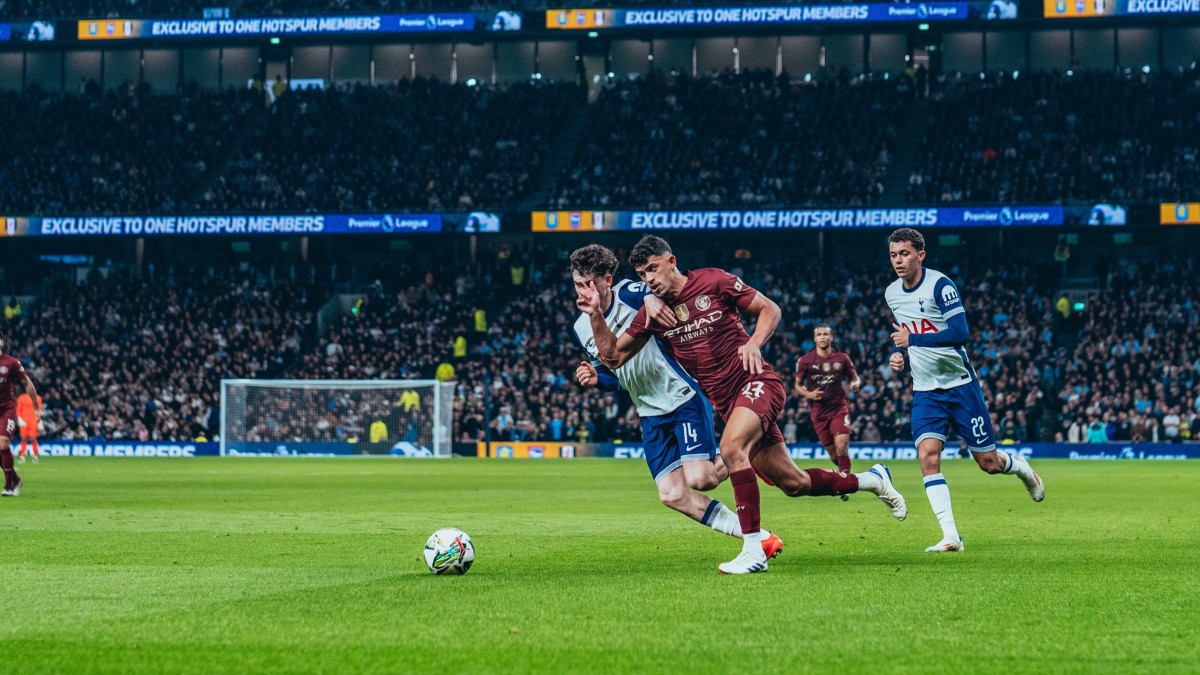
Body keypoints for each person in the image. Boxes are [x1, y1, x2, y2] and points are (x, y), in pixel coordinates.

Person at [583, 236, 906, 575]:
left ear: (671, 262)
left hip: (758, 383)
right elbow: (612, 356)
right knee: (794, 484)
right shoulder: (654, 314)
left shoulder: (713, 280)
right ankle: (873, 480)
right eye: (642, 274)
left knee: (731, 447)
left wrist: (754, 343)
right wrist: (595, 315)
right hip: (729, 404)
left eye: (653, 268)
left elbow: (770, 309)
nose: (649, 278)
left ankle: (753, 551)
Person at [568, 244, 784, 560]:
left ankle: (743, 451)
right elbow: (615, 375)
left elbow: (662, 290)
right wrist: (596, 377)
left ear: (607, 280)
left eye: (589, 283)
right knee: (671, 494)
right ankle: (758, 536)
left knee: (701, 479)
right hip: (649, 411)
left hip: (681, 396)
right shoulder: (580, 327)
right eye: (577, 284)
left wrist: (650, 299)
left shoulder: (630, 292)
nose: (583, 291)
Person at [885, 227, 1044, 553]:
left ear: (920, 255)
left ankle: (1021, 467)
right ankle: (951, 536)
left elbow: (960, 333)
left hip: (960, 386)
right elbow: (905, 333)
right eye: (893, 255)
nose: (898, 261)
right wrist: (899, 354)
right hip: (926, 391)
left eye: (904, 254)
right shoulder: (892, 294)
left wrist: (912, 340)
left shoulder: (940, 286)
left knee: (988, 463)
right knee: (928, 457)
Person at [794, 324, 862, 484]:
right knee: (834, 454)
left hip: (839, 407)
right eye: (819, 335)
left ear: (831, 337)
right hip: (818, 412)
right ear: (814, 339)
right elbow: (797, 386)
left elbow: (855, 378)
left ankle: (845, 482)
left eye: (825, 334)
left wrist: (855, 384)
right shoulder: (805, 361)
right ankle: (845, 471)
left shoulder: (842, 358)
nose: (822, 337)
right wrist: (809, 394)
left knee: (841, 445)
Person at [0, 334, 38, 496]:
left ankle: (9, 486)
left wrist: (36, 407)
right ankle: (15, 479)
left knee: (3, 444)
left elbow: (27, 383)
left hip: (7, 409)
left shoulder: (11, 363)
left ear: (1, 342)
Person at [16, 389, 42, 464]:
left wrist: (40, 421)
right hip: (24, 421)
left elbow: (39, 410)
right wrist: (19, 418)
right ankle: (22, 456)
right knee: (23, 438)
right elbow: (18, 409)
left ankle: (35, 456)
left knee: (33, 438)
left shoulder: (38, 398)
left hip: (33, 421)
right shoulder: (21, 398)